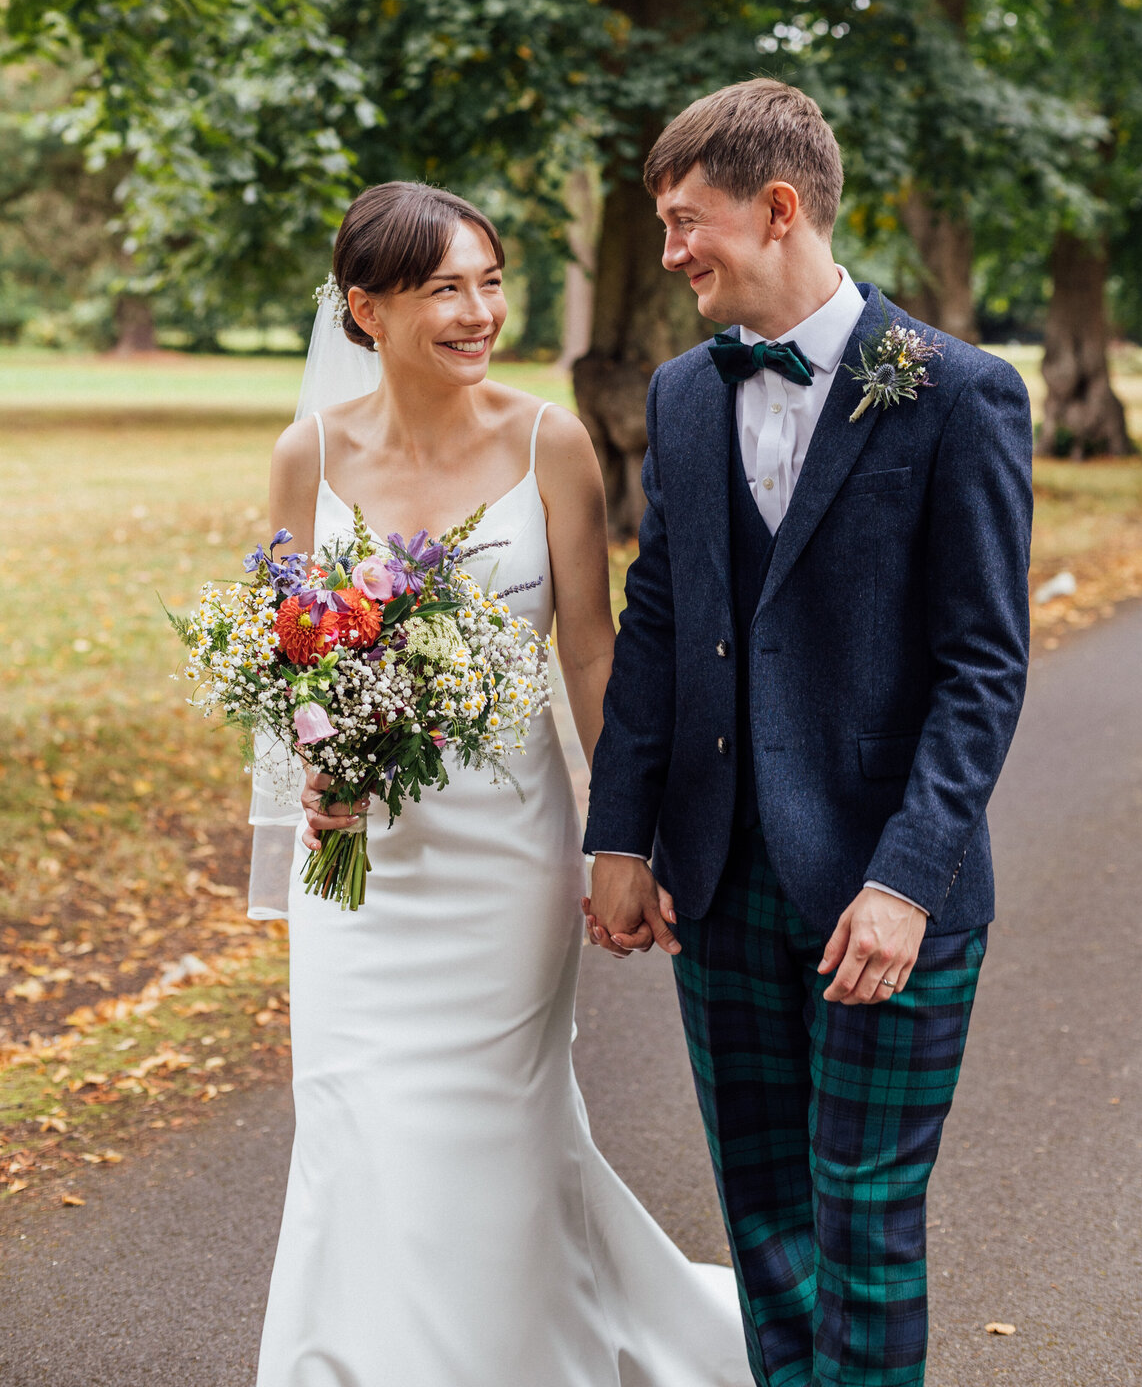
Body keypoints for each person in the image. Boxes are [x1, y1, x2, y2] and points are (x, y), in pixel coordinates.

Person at [254, 181, 750, 1386]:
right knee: (354, 1122)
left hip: (506, 855)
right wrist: (315, 771)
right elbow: (286, 645)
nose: (480, 313)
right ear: (365, 311)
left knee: (498, 1132)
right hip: (359, 869)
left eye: (491, 281)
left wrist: (620, 837)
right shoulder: (306, 455)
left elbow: (590, 650)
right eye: (445, 291)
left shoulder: (550, 441)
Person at [584, 79, 1033, 1387]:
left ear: (779, 210)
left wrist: (904, 881)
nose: (670, 254)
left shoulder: (959, 393)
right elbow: (659, 625)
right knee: (767, 1222)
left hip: (886, 887)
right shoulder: (680, 395)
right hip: (719, 882)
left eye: (687, 222)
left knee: (866, 1221)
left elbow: (982, 667)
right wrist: (623, 832)